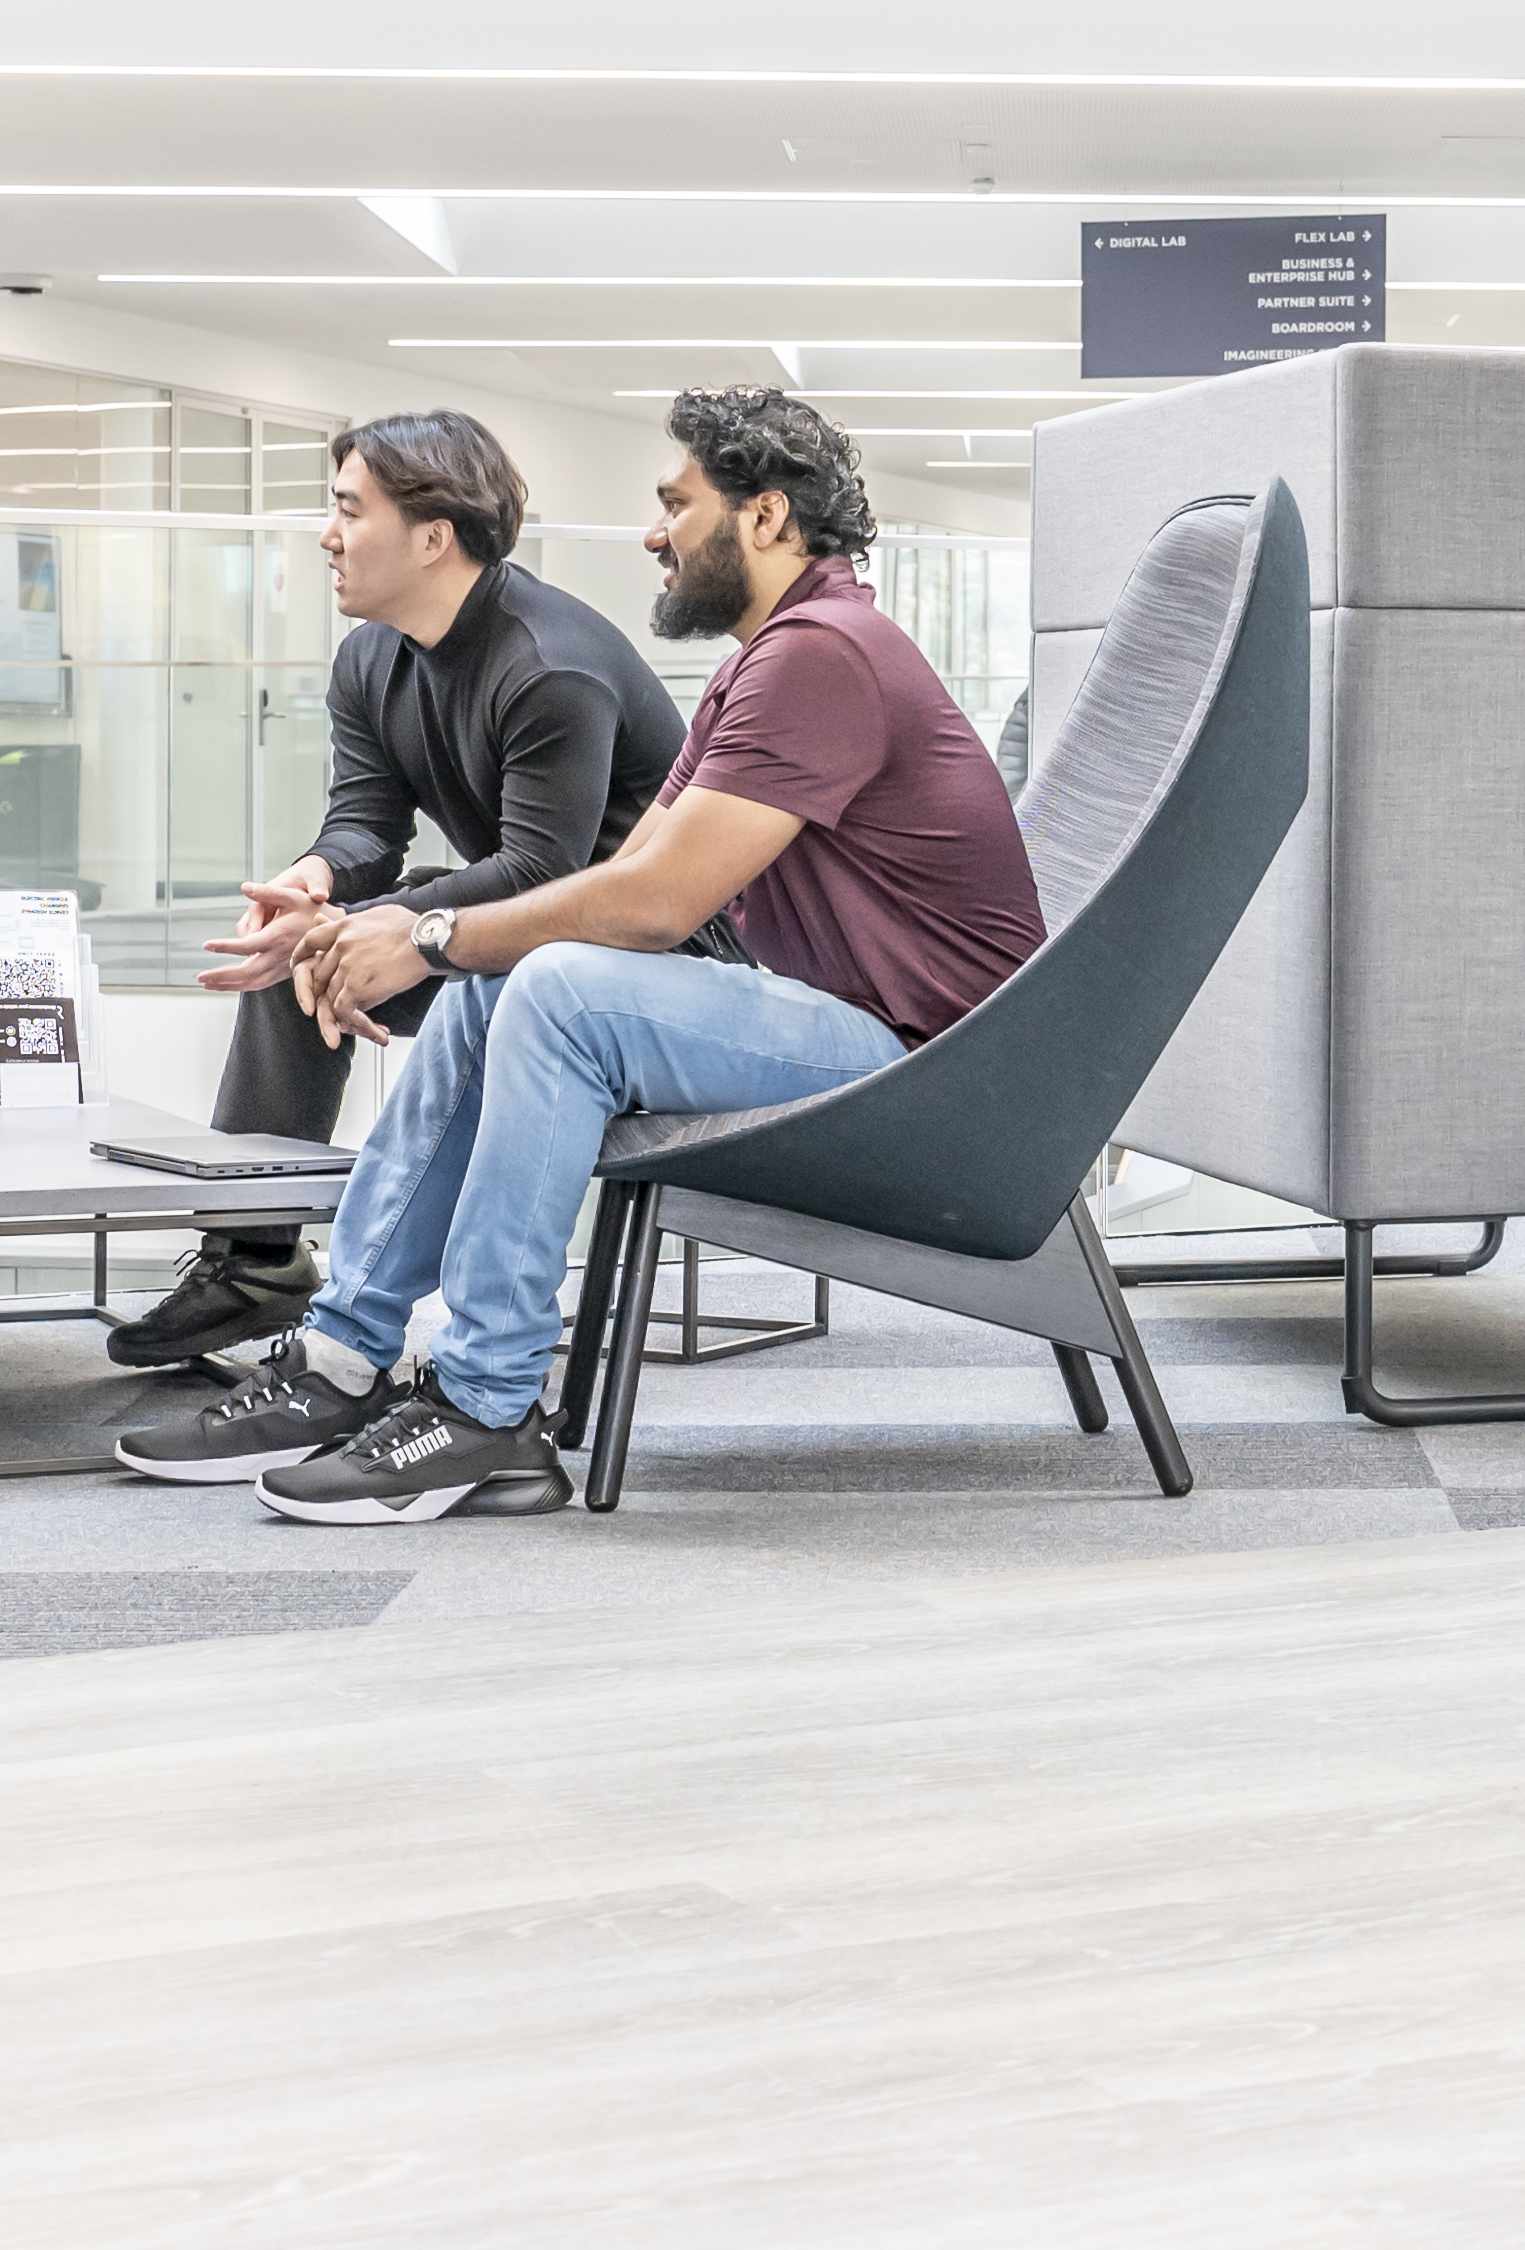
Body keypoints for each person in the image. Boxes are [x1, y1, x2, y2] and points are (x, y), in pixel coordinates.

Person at [171, 389, 1046, 1522]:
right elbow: (625, 875)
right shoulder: (766, 660)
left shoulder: (824, 657)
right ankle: (344, 1354)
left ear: (766, 517)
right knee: (509, 981)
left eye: (676, 505)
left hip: (940, 1066)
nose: (654, 533)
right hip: (852, 1022)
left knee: (558, 989)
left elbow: (651, 904)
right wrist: (428, 939)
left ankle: (486, 1407)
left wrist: (427, 932)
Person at [99, 408, 690, 1416]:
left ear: (432, 534)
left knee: (346, 946)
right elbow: (365, 823)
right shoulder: (372, 660)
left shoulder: (550, 663)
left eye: (347, 510)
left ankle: (421, 1330)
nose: (325, 536)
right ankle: (255, 1260)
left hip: (633, 963)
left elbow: (543, 870)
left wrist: (382, 929)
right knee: (306, 954)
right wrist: (317, 884)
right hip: (511, 936)